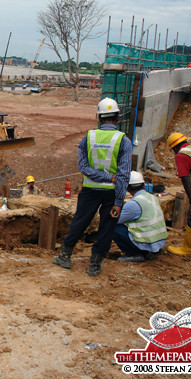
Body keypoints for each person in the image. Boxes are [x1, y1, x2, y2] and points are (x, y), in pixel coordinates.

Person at [53, 97, 132, 277]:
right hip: (112, 194)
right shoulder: (124, 141)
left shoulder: (88, 138)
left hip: (90, 190)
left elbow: (83, 167)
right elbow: (124, 175)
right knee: (106, 227)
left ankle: (65, 256)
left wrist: (102, 177)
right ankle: (95, 265)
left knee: (79, 222)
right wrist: (119, 201)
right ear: (118, 118)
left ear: (99, 118)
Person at [113, 171, 167, 262]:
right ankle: (145, 253)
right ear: (144, 186)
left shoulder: (134, 204)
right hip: (159, 241)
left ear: (127, 188)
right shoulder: (153, 198)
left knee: (112, 226)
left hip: (147, 242)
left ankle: (133, 254)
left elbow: (115, 220)